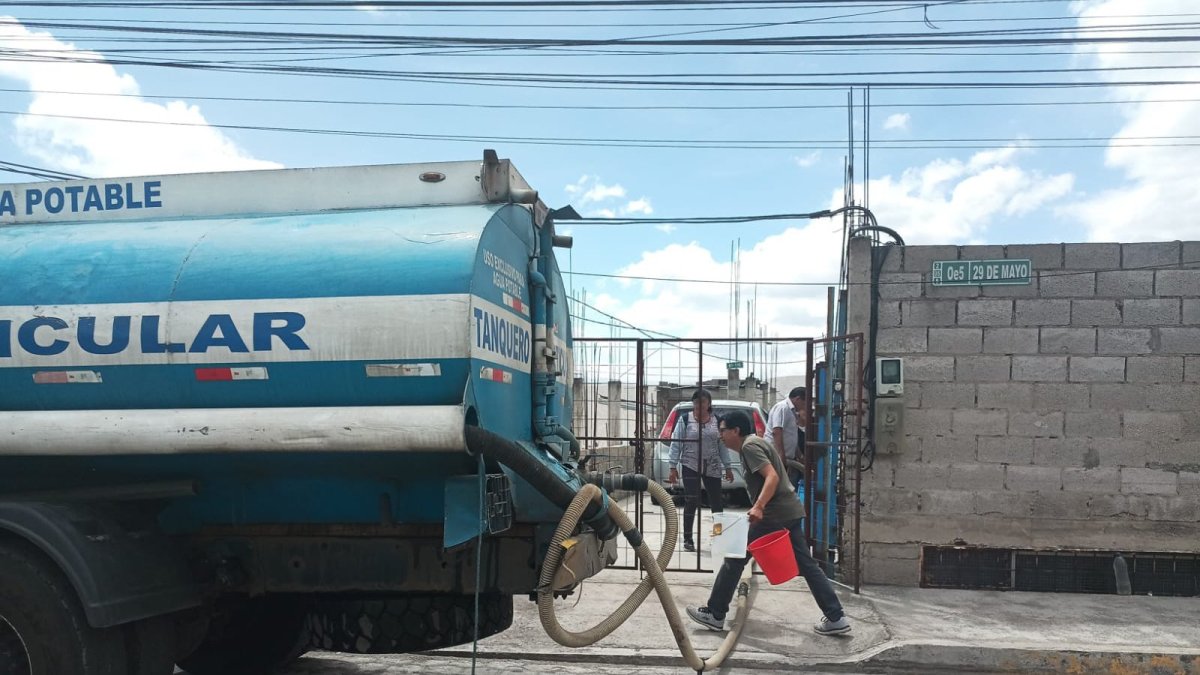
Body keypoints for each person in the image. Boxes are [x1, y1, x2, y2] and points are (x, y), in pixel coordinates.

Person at [686, 409, 850, 636]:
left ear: (736, 430)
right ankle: (836, 616)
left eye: (723, 430)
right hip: (787, 512)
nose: (720, 435)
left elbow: (771, 476)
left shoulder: (749, 447)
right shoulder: (752, 445)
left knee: (734, 558)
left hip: (773, 515)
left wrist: (759, 506)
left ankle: (715, 613)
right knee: (808, 566)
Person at [667, 389, 734, 553]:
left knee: (717, 504)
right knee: (692, 501)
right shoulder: (685, 420)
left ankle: (719, 537)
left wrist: (728, 466)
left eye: (703, 402)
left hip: (712, 465)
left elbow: (722, 446)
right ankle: (688, 539)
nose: (699, 405)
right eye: (696, 402)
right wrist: (672, 467)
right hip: (690, 465)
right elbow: (676, 444)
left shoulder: (716, 421)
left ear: (709, 404)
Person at [768, 386, 807, 487]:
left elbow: (791, 436)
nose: (804, 407)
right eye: (804, 403)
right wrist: (781, 455)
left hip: (786, 459)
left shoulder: (792, 412)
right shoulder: (783, 407)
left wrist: (799, 456)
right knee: (776, 488)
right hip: (776, 457)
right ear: (797, 399)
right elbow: (777, 431)